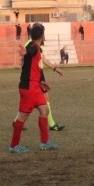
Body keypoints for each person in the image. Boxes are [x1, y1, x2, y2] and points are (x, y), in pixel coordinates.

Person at [9, 23, 60, 153]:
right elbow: (30, 52)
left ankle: (44, 143)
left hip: (35, 86)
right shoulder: (33, 47)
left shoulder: (37, 48)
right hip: (29, 87)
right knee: (22, 117)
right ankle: (14, 145)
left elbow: (35, 65)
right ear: (42, 36)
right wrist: (25, 52)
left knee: (44, 110)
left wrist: (41, 81)